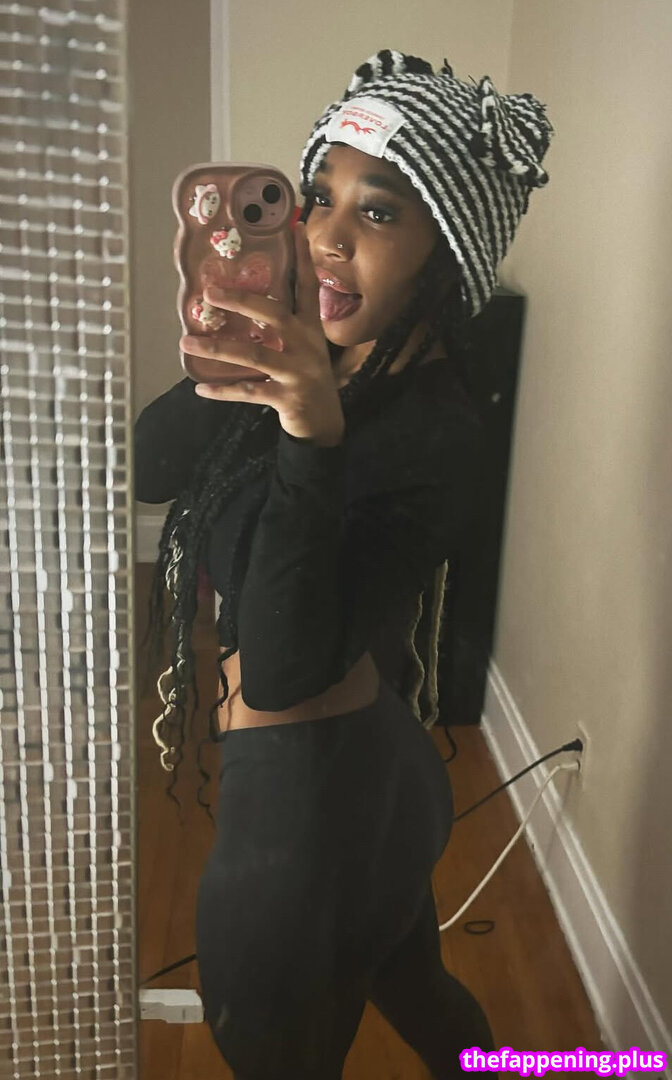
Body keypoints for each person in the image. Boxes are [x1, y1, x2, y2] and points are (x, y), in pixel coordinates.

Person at [134, 49, 553, 1080]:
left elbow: (282, 666)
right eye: (319, 195)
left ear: (444, 251)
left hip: (311, 807)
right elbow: (149, 468)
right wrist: (233, 352)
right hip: (369, 778)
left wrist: (311, 437)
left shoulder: (437, 431)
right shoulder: (315, 353)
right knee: (417, 989)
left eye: (377, 212)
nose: (325, 235)